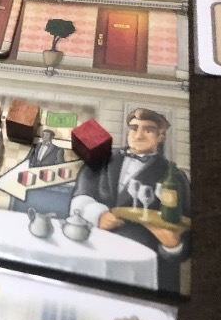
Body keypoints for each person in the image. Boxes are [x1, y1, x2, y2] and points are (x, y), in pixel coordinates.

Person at [70, 108, 191, 293]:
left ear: (160, 136)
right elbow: (81, 193)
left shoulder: (175, 176)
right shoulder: (102, 158)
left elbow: (187, 233)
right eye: (134, 128)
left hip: (141, 269)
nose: (138, 135)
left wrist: (173, 246)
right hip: (94, 255)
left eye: (148, 130)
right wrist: (97, 214)